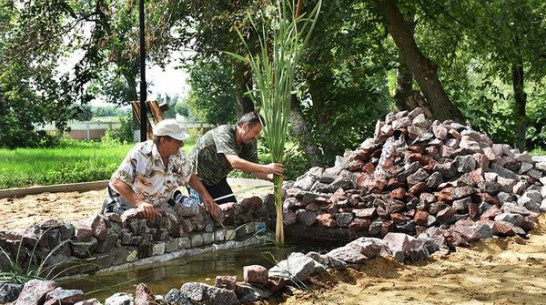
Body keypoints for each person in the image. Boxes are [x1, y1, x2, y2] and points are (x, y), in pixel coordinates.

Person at [101, 119, 220, 222]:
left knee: (171, 223)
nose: (182, 144)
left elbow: (189, 175)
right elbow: (117, 181)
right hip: (131, 198)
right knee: (135, 221)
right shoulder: (141, 153)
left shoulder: (179, 155)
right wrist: (139, 203)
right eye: (178, 141)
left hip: (158, 200)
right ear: (163, 141)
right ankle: (112, 206)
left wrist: (205, 195)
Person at [187, 111, 284, 205]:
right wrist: (267, 168)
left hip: (217, 181)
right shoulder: (224, 132)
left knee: (231, 211)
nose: (256, 137)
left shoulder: (246, 145)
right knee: (204, 214)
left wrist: (270, 177)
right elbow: (235, 162)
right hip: (196, 180)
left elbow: (256, 171)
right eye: (255, 132)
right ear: (245, 126)